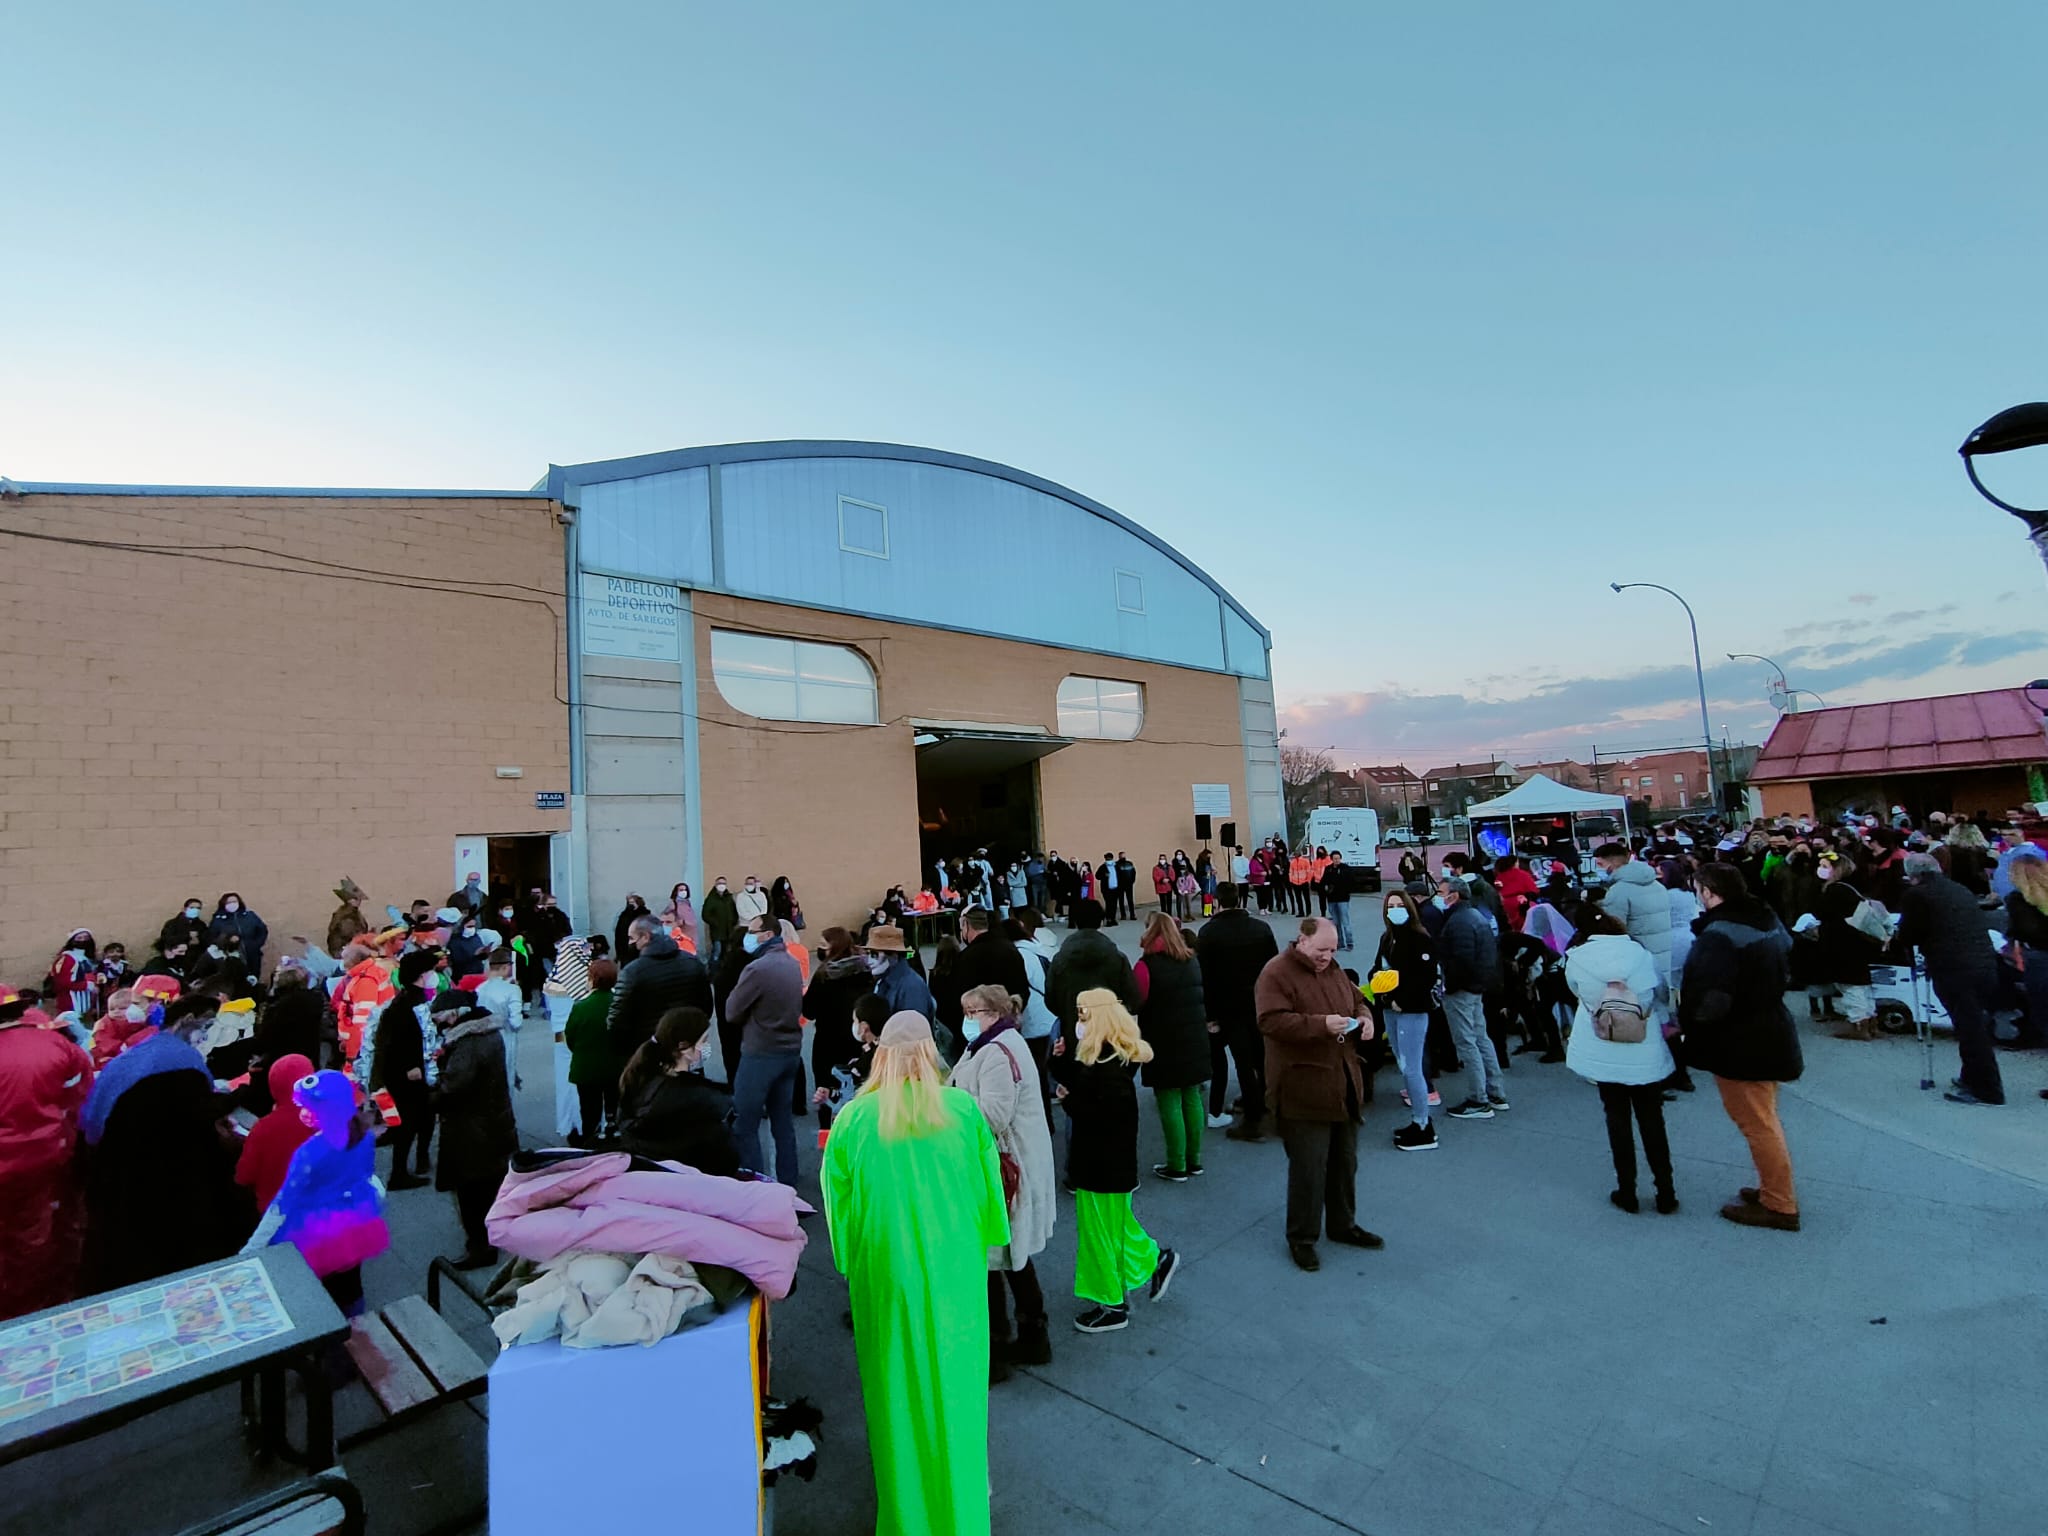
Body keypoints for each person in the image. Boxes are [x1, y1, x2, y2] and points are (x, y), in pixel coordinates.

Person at [821, 1011, 1010, 1536]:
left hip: (885, 1280)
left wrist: (851, 1264)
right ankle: (964, 1515)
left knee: (895, 1401)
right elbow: (990, 1199)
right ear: (931, 1052)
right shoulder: (961, 1110)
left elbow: (840, 1211)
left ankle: (907, 1520)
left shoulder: (855, 1120)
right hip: (956, 1279)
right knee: (958, 1398)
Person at [81, 995, 251, 1290]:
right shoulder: (184, 1061)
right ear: (187, 1021)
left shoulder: (139, 1051)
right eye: (206, 1026)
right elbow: (200, 1112)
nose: (206, 1035)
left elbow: (92, 1123)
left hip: (114, 1175)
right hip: (160, 1179)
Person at [1049, 989, 1181, 1331]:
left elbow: (1098, 1113)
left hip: (1100, 1167)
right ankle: (1153, 1263)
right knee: (1117, 1228)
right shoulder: (1112, 1058)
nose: (1077, 1022)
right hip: (1110, 1167)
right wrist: (1059, 1062)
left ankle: (1112, 1302)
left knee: (1099, 1235)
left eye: (1082, 1015)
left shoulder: (1106, 1069)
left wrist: (1070, 1102)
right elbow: (1080, 1082)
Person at [1254, 918, 1381, 1271]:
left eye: (1332, 949)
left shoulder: (1333, 968)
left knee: (1345, 1163)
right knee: (1309, 1170)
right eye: (1322, 949)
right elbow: (1270, 1021)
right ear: (1302, 941)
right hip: (1302, 1088)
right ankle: (1302, 1238)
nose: (1327, 956)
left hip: (1342, 1084)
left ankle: (1343, 1225)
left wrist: (1365, 1018)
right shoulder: (1276, 973)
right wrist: (1320, 1025)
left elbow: (1358, 1000)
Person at [1682, 863, 1803, 1231]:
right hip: (1768, 1029)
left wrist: (1692, 1026)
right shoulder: (1763, 918)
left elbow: (1712, 998)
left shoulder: (1720, 935)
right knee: (1762, 1117)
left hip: (1742, 1040)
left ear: (1708, 892)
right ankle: (1772, 1189)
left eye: (1697, 889)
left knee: (1757, 1123)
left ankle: (1779, 1203)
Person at [951, 983, 1057, 1381]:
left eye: (973, 1011)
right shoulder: (994, 1043)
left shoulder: (997, 1051)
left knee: (994, 1256)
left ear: (993, 1013)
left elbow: (993, 1114)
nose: (967, 1019)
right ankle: (1031, 1335)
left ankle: (997, 1347)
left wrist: (950, 1107)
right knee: (1010, 1255)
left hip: (1003, 1168)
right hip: (1010, 1166)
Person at [1563, 911, 1677, 1214]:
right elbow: (1660, 992)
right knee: (1652, 1118)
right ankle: (1666, 1190)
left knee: (1617, 1118)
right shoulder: (1641, 955)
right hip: (1643, 1045)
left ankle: (1627, 1190)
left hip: (1603, 1045)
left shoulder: (1577, 958)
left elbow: (1576, 992)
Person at [0, 984, 95, 1320]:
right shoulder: (56, 1044)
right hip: (46, 1159)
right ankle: (38, 1309)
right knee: (38, 1237)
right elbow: (81, 1100)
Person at [1892, 851, 2004, 1106]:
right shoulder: (1958, 889)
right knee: (1974, 1024)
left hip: (1954, 967)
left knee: (1969, 1029)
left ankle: (1986, 1089)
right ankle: (1971, 1076)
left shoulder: (1917, 895)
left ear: (1912, 875)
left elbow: (1910, 934)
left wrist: (1899, 939)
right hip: (1983, 963)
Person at [432, 996, 518, 1268]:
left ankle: (480, 1248)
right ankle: (495, 1238)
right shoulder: (489, 1034)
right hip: (493, 1124)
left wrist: (428, 1090)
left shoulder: (468, 1044)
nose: (439, 1024)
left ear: (454, 1014)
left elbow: (453, 1087)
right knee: (490, 1188)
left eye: (440, 1018)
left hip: (472, 1131)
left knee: (472, 1194)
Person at [725, 914, 806, 1184]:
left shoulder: (757, 969)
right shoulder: (791, 964)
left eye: (752, 930)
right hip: (790, 1051)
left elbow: (732, 1011)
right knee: (782, 1123)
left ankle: (755, 1183)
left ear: (767, 934)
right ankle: (788, 1181)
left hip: (760, 1053)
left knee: (745, 1123)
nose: (748, 935)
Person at [1196, 883, 1280, 1141]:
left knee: (1243, 1061)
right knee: (1262, 1057)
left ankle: (1253, 1120)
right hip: (1260, 1002)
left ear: (1218, 902)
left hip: (1228, 1006)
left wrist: (1210, 1015)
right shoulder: (1261, 928)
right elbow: (1273, 966)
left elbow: (1205, 978)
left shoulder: (1208, 933)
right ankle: (1268, 1103)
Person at [613, 1006, 740, 1174]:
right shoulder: (704, 1100)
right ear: (684, 1047)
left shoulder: (638, 1081)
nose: (707, 1046)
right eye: (704, 1041)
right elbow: (725, 1158)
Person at [1132, 911, 1210, 1181]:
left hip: (1162, 1038)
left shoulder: (1146, 965)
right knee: (1191, 1097)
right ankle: (1195, 1159)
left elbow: (1136, 1000)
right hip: (1194, 1036)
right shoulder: (1191, 960)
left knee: (1169, 1099)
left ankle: (1177, 1164)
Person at [1370, 890, 1440, 1152]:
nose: (1395, 909)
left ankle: (1423, 1124)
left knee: (1412, 1068)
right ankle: (1418, 1121)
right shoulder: (1388, 938)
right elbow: (1377, 969)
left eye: (1400, 905)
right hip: (1390, 1008)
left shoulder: (1420, 939)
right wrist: (1384, 991)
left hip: (1411, 1010)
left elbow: (1425, 978)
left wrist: (1401, 997)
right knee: (1403, 1064)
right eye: (1391, 905)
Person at [607, 916, 715, 1077]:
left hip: (649, 1052)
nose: (630, 943)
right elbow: (706, 1006)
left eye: (632, 938)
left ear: (646, 937)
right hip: (687, 1049)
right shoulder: (692, 962)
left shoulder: (632, 972)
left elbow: (616, 1021)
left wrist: (628, 1053)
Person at [372, 950, 444, 1190]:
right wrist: (410, 1067)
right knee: (408, 1122)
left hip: (419, 1071)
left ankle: (422, 1159)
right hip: (407, 1075)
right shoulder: (404, 1005)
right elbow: (396, 1042)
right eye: (431, 971)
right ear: (422, 975)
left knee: (425, 1117)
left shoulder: (417, 999)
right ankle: (399, 1173)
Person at [1439, 877, 1508, 1120]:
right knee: (1481, 1038)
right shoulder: (1476, 917)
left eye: (1441, 892)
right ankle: (1495, 1092)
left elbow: (1462, 961)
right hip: (1477, 988)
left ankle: (1479, 1099)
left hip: (1462, 990)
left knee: (1467, 1042)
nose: (1439, 896)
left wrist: (1450, 987)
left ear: (1454, 895)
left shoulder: (1458, 922)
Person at [234, 1053, 318, 1212]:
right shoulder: (331, 1120)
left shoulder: (263, 1128)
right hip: (323, 1215)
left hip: (275, 1214)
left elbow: (244, 1176)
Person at [564, 957, 621, 1142]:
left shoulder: (581, 1007)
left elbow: (570, 1037)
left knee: (589, 1110)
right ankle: (613, 1133)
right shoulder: (620, 1004)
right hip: (616, 1066)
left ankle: (592, 1137)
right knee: (615, 1105)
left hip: (587, 1068)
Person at [2001, 853, 2048, 1050]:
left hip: (2037, 953)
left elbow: (2027, 929)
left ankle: (2035, 1035)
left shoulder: (2017, 899)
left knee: (2037, 999)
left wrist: (2011, 934)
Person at [862, 925, 936, 1024]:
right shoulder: (882, 979)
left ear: (893, 955)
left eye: (874, 954)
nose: (869, 961)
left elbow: (914, 1030)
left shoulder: (912, 986)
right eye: (867, 954)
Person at [208, 893, 270, 982]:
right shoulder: (218, 919)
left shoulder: (250, 916)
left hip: (251, 954)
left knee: (253, 980)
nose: (232, 904)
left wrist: (256, 944)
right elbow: (212, 937)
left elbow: (262, 930)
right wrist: (227, 942)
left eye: (234, 901)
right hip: (230, 956)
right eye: (228, 902)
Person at [47, 930, 101, 1021]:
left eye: (86, 938)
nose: (83, 940)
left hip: (86, 1001)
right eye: (79, 938)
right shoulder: (67, 958)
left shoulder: (87, 958)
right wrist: (87, 985)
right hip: (71, 1001)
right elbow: (62, 981)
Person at [700, 877, 740, 964]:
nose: (722, 885)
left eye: (723, 883)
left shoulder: (729, 898)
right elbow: (705, 915)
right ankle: (712, 970)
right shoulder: (711, 899)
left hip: (728, 930)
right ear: (715, 885)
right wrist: (715, 923)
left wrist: (734, 921)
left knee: (726, 952)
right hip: (717, 931)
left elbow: (734, 911)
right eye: (719, 883)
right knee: (717, 952)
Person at [327, 878, 371, 955]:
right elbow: (353, 935)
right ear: (349, 900)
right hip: (343, 952)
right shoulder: (346, 917)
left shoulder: (354, 913)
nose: (359, 901)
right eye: (356, 899)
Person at [1321, 852, 1354, 950]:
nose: (1337, 860)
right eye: (1335, 858)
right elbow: (1324, 882)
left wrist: (1347, 891)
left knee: (1345, 922)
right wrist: (1326, 889)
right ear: (1331, 859)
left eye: (1338, 858)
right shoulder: (1328, 869)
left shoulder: (1345, 869)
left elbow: (1351, 881)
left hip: (1343, 899)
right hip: (1332, 899)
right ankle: (1340, 942)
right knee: (1336, 922)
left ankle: (1349, 942)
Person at [613, 894, 651, 959]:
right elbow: (618, 933)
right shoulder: (624, 916)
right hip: (625, 949)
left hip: (640, 949)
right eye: (629, 903)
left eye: (633, 902)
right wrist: (619, 953)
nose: (631, 905)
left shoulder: (644, 914)